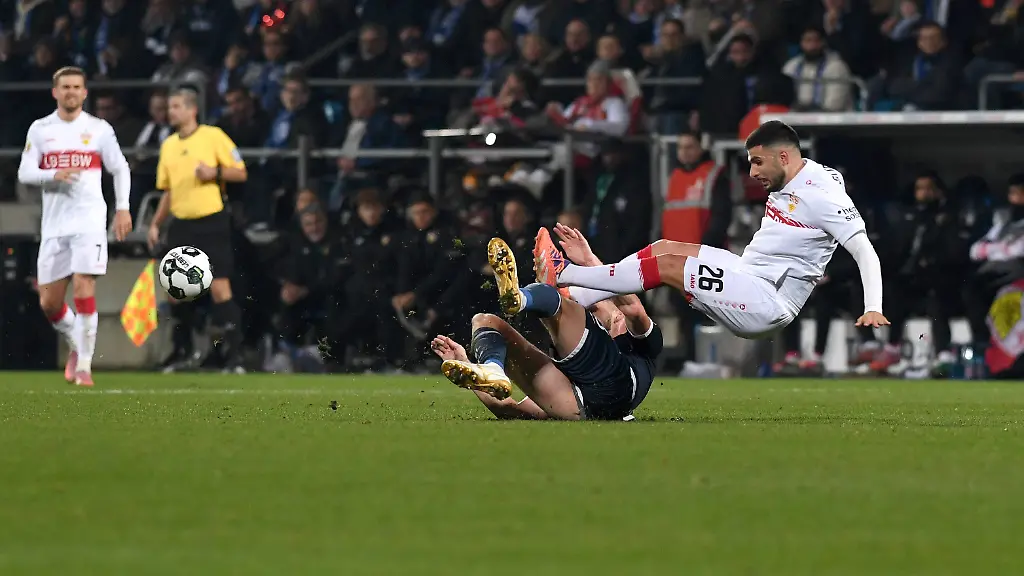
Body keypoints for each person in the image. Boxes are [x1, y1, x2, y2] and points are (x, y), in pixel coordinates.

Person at [540, 120, 889, 339]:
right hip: (747, 271)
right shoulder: (810, 173)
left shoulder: (823, 195)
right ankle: (575, 298)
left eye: (757, 162)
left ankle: (567, 274)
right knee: (662, 248)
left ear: (784, 158)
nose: (752, 173)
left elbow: (864, 251)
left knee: (669, 267)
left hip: (768, 301)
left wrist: (873, 305)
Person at [438, 228, 662, 421]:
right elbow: (507, 409)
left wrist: (588, 260)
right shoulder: (586, 344)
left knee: (556, 299)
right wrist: (466, 363)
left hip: (616, 387)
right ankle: (493, 368)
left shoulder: (641, 340)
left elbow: (632, 308)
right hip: (577, 405)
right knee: (484, 321)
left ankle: (527, 294)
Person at [18, 66, 132, 387]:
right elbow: (25, 173)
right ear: (55, 92)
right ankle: (76, 343)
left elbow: (120, 168)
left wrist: (122, 208)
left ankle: (84, 366)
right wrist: (51, 175)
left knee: (84, 285)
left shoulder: (99, 129)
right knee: (49, 303)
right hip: (54, 225)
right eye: (65, 86)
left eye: (76, 87)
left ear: (85, 93)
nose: (71, 91)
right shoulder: (41, 130)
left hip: (89, 221)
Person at [148, 88, 248, 373]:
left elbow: (240, 171)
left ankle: (234, 356)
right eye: (170, 107)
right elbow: (168, 191)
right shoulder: (168, 145)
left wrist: (214, 173)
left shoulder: (213, 136)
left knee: (219, 287)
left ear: (193, 110)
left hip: (211, 220)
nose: (172, 112)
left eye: (177, 106)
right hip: (181, 222)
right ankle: (183, 351)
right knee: (175, 291)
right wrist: (156, 223)